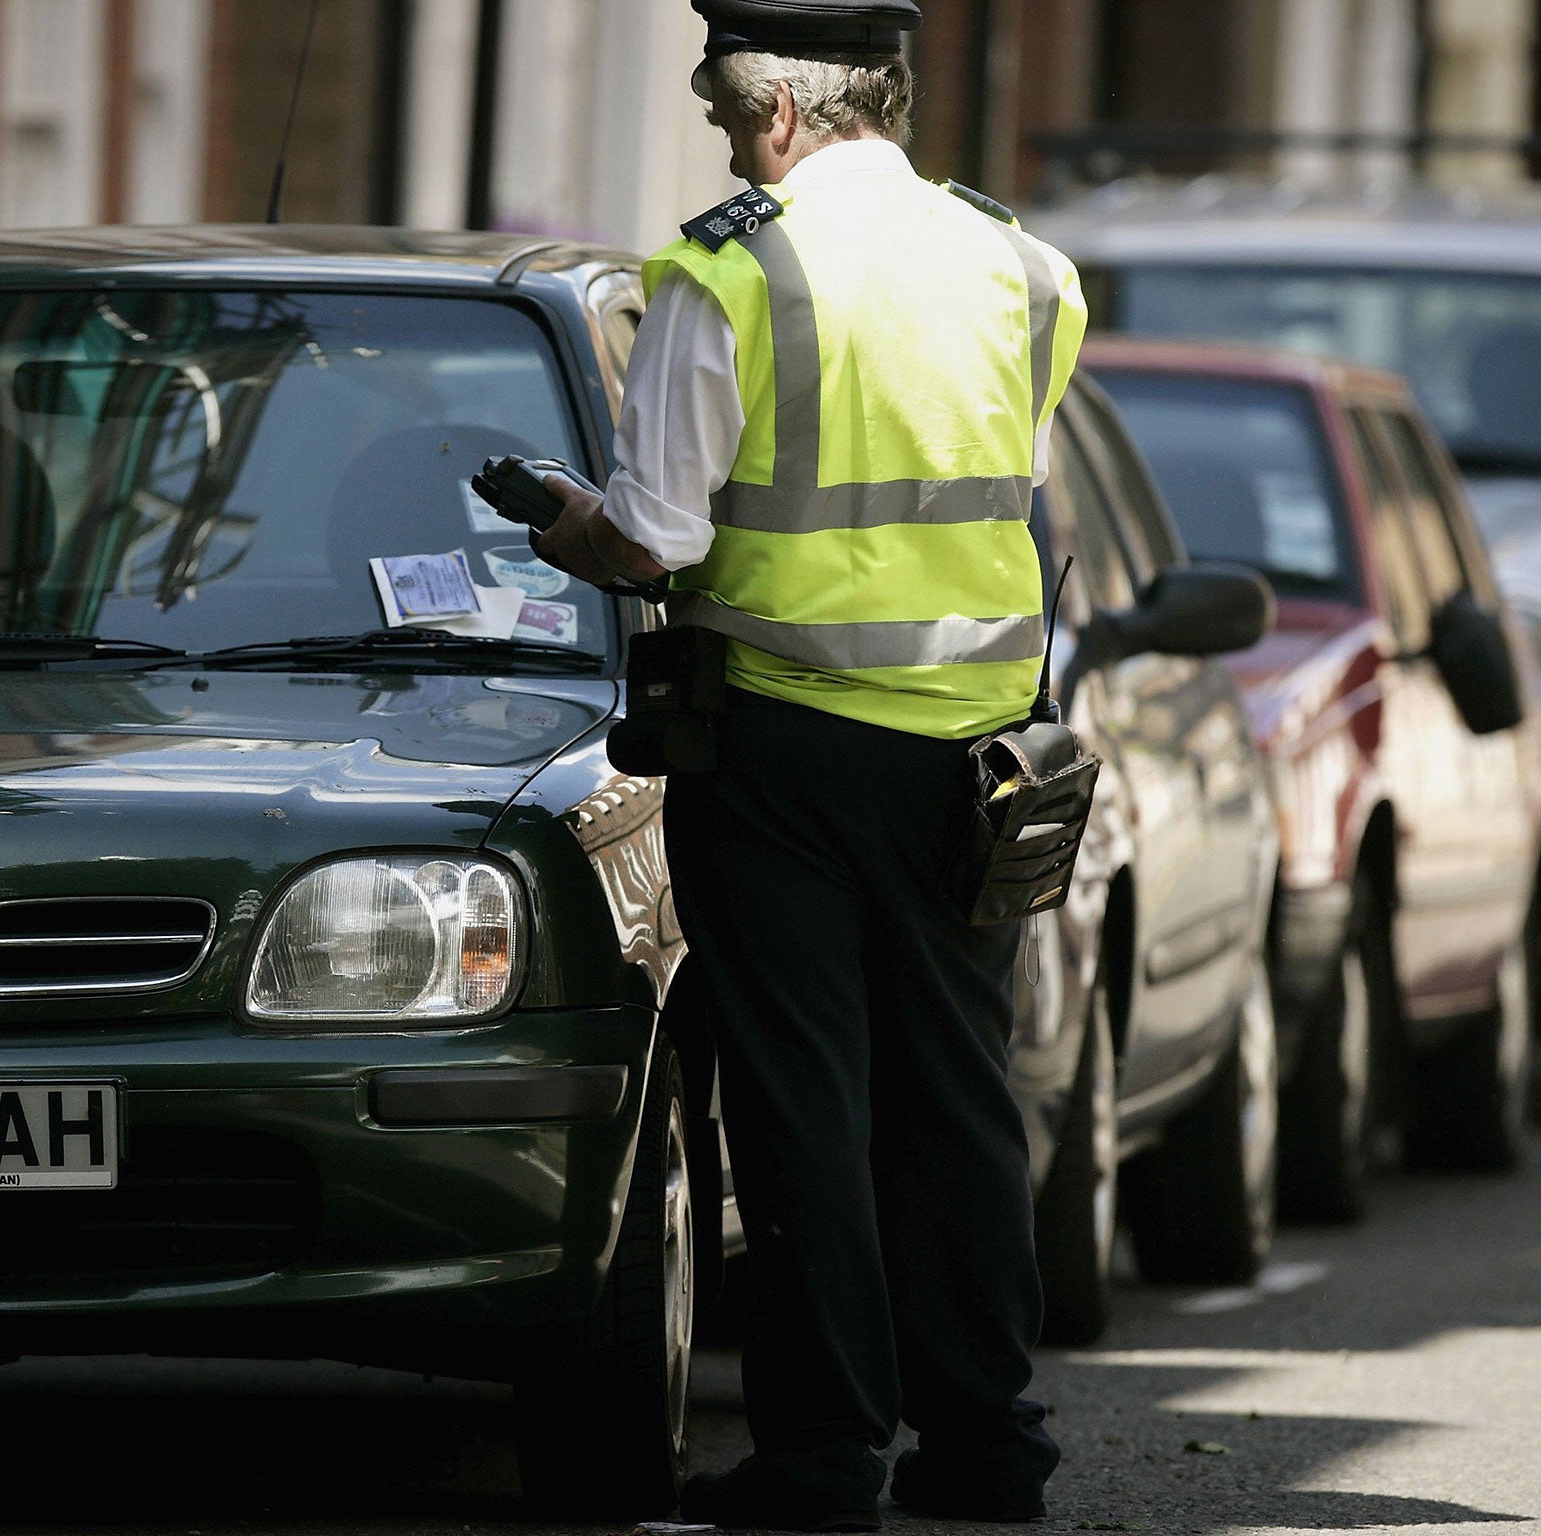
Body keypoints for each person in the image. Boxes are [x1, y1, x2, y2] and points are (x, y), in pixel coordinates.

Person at [530, 1, 1088, 1528]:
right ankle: (989, 1449)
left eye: (720, 115)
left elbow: (661, 537)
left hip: (780, 741)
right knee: (957, 1099)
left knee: (802, 1104)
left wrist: (571, 525)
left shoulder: (730, 265)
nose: (721, 141)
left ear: (775, 113)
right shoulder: (1023, 265)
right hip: (974, 754)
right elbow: (1003, 484)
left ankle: (828, 1458)